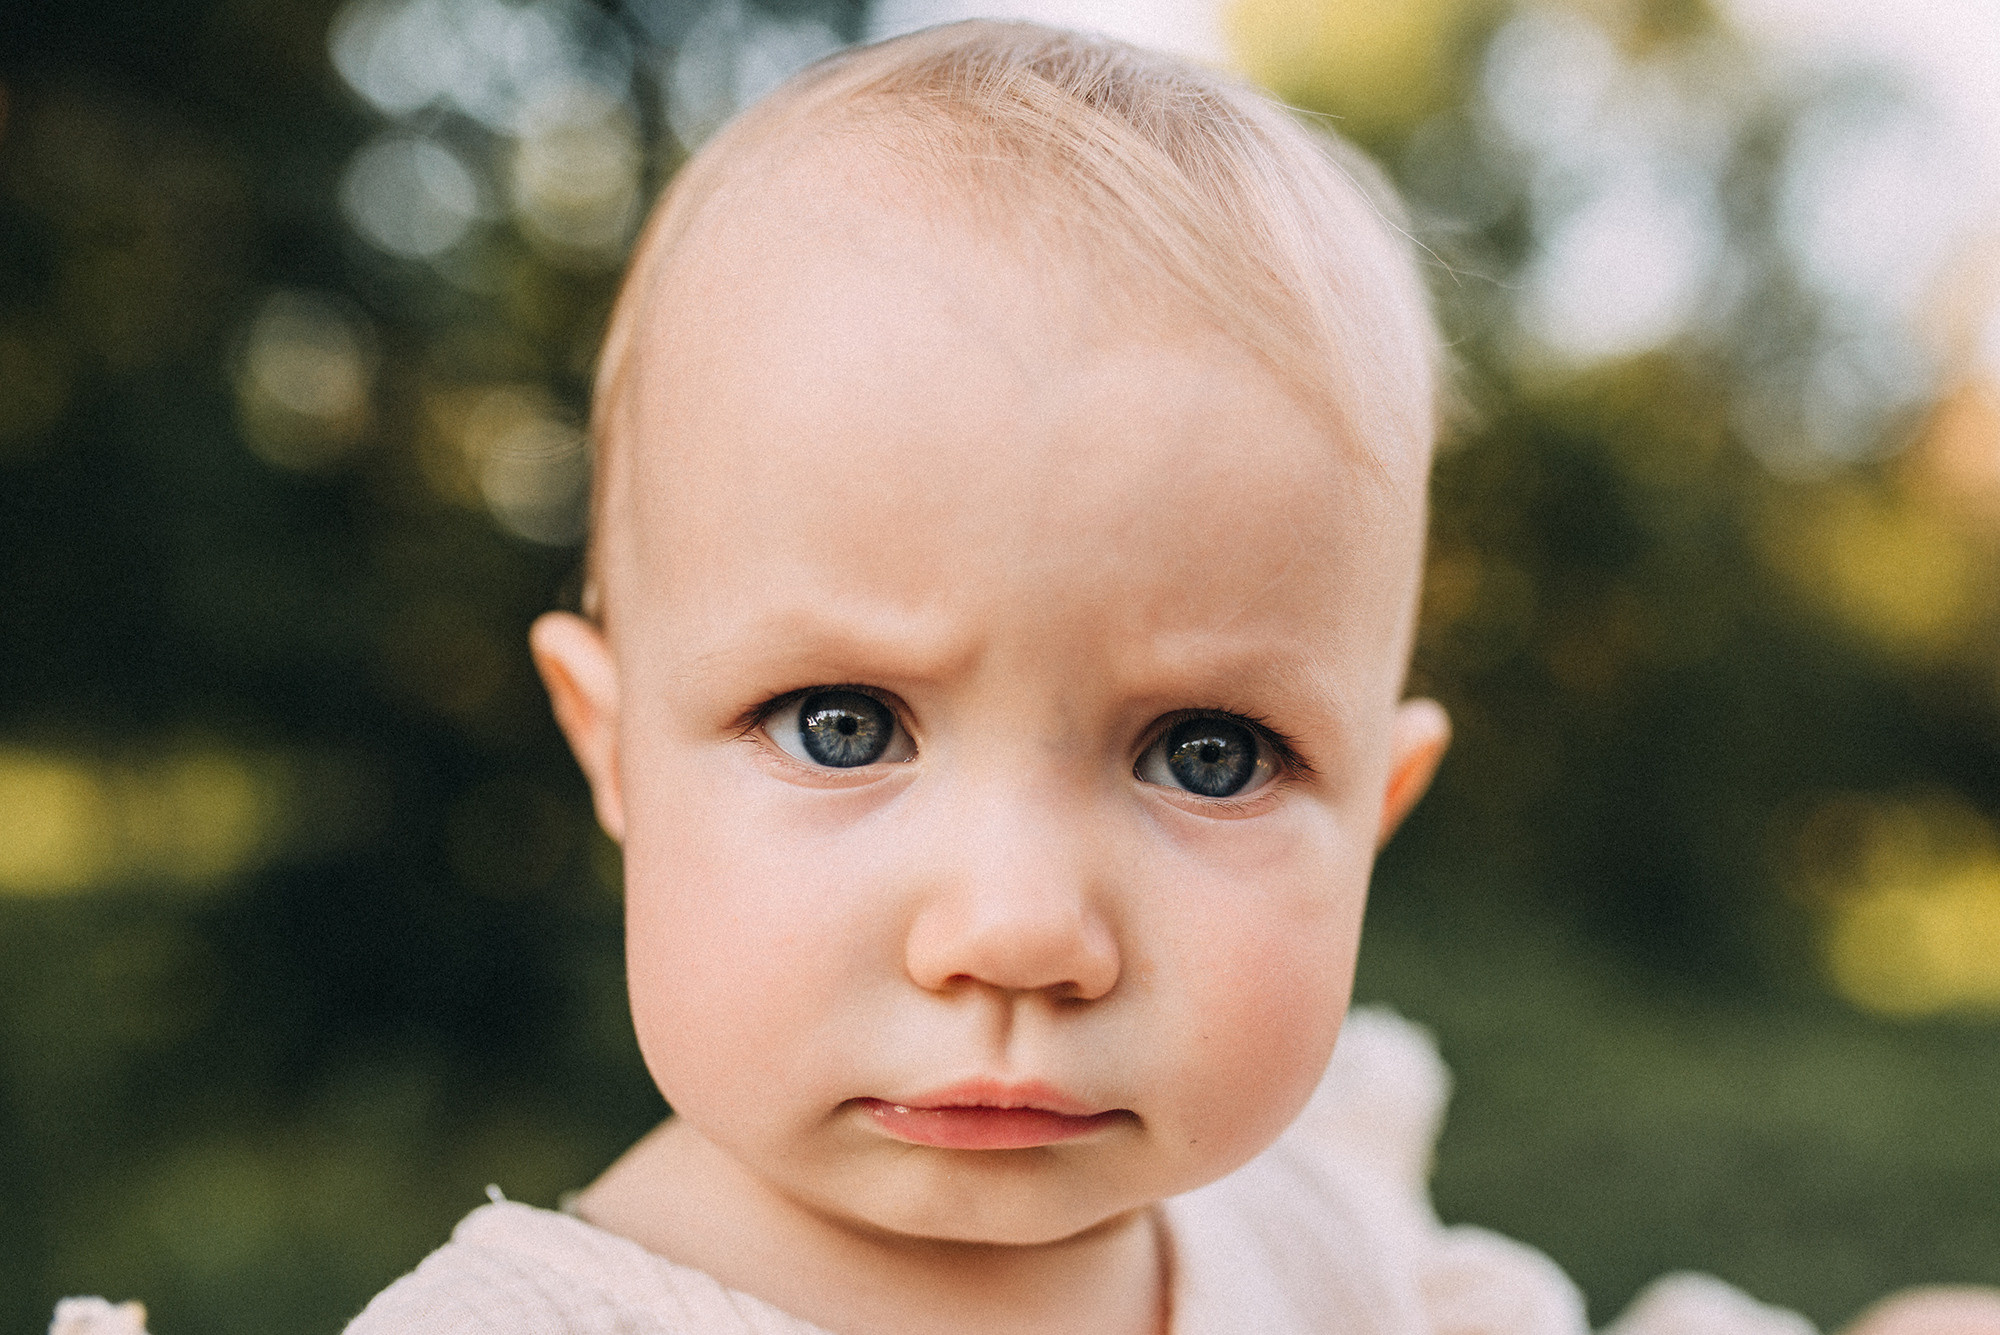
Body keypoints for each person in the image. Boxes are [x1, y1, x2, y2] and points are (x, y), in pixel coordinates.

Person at [52, 19, 2000, 1335]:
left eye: (1211, 752)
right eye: (841, 724)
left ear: (1375, 812)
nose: (1018, 929)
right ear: (609, 742)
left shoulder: (1322, 1244)